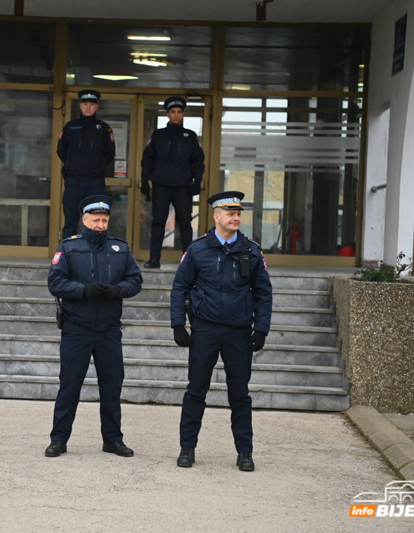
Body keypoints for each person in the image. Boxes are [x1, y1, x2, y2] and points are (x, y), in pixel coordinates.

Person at [170, 191, 272, 471]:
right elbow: (180, 287)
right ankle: (187, 449)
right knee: (196, 391)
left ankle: (245, 452)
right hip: (205, 329)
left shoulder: (251, 250)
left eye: (238, 213)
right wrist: (178, 325)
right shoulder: (198, 249)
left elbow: (264, 291)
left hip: (239, 332)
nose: (236, 218)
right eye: (230, 214)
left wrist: (261, 329)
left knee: (240, 394)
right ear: (217, 217)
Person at [45, 195, 143, 458]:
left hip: (109, 329)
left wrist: (117, 290)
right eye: (96, 220)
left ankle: (112, 439)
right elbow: (55, 283)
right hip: (77, 327)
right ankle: (58, 439)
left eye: (104, 220)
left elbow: (135, 280)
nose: (100, 225)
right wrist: (83, 290)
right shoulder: (69, 248)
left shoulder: (120, 249)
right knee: (70, 385)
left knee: (112, 386)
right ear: (84, 220)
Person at [140, 96, 205, 269]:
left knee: (184, 223)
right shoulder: (158, 135)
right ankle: (154, 259)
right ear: (168, 114)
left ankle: (188, 261)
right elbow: (147, 159)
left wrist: (197, 181)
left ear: (182, 114)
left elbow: (199, 161)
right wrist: (144, 181)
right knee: (158, 222)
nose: (176, 115)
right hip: (161, 184)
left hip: (182, 186)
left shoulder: (190, 137)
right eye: (173, 112)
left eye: (179, 112)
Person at [57, 89, 116, 241]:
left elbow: (110, 154)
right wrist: (73, 165)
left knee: (96, 221)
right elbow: (61, 151)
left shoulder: (104, 129)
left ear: (97, 107)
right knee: (70, 221)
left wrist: (96, 167)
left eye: (92, 104)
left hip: (94, 183)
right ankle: (67, 255)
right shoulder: (70, 127)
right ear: (80, 106)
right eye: (85, 104)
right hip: (74, 181)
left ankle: (94, 255)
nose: (88, 107)